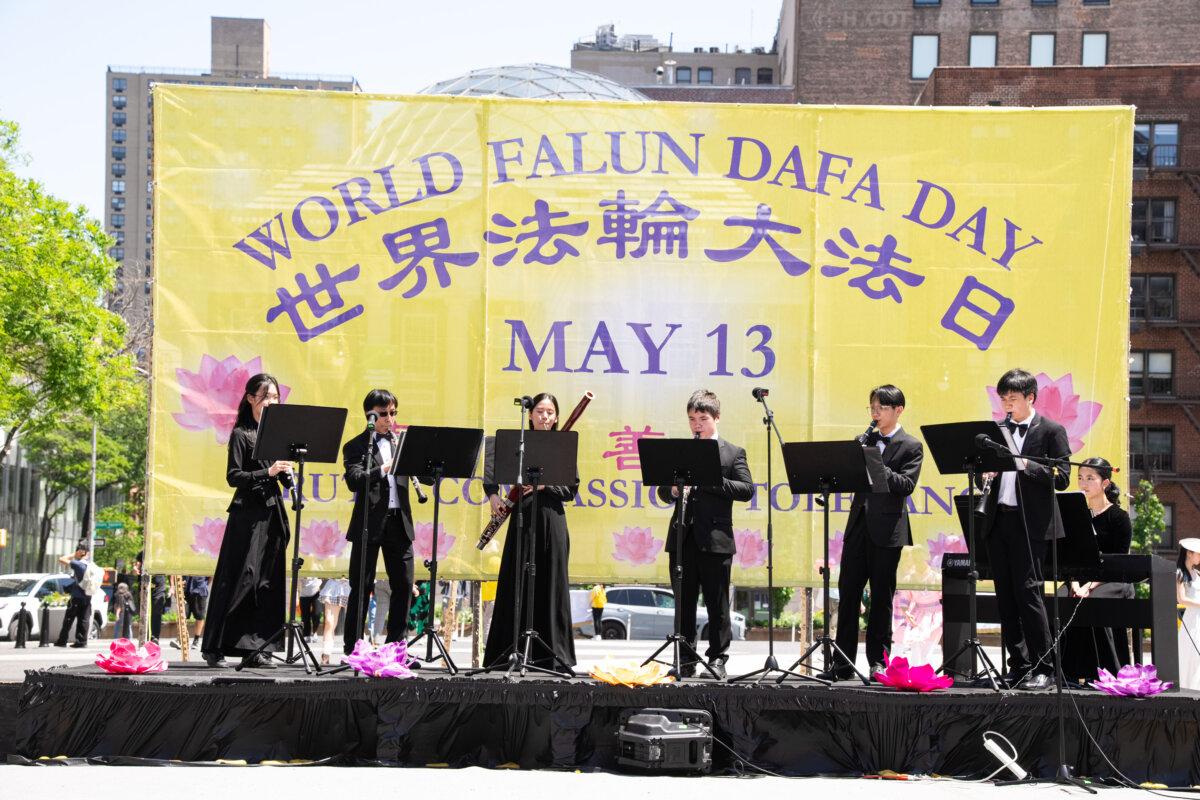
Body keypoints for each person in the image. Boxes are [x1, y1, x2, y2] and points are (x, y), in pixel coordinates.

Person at [977, 368, 1071, 691]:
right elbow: (983, 474)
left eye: (1013, 399)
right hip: (998, 519)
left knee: (1029, 592)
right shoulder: (998, 430)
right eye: (1003, 399)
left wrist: (1025, 463)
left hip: (1029, 523)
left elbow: (1062, 478)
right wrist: (983, 475)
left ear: (1030, 398)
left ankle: (1044, 666)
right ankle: (1016, 665)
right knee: (1005, 597)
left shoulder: (1051, 431)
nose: (1007, 405)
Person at [826, 385, 924, 680]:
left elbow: (905, 485)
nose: (875, 413)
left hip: (887, 531)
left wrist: (875, 460)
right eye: (872, 408)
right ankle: (841, 663)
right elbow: (848, 478)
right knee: (849, 594)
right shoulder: (863, 440)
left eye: (881, 408)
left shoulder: (911, 446)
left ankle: (878, 662)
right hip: (858, 527)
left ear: (898, 410)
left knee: (881, 597)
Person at [655, 389, 754, 680]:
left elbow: (746, 490)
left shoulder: (732, 452)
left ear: (716, 418)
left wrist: (709, 480)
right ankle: (685, 658)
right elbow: (663, 490)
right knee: (683, 604)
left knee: (717, 604)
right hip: (682, 538)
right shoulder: (682, 452)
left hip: (716, 541)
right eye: (692, 419)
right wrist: (673, 489)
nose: (697, 424)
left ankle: (718, 659)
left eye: (702, 418)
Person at [201, 373, 293, 669]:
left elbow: (284, 479)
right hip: (247, 516)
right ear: (251, 398)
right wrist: (267, 473)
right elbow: (234, 476)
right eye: (267, 397)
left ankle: (258, 648)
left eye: (276, 397)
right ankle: (216, 646)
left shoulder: (277, 435)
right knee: (241, 579)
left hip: (272, 512)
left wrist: (286, 472)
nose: (272, 402)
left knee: (267, 581)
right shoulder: (242, 434)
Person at [483, 392, 578, 673]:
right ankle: (509, 651)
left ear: (557, 416)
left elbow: (570, 490)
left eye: (550, 412)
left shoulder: (563, 445)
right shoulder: (519, 443)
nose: (544, 417)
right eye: (539, 411)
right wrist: (493, 497)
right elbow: (492, 469)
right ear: (531, 414)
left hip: (551, 521)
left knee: (551, 584)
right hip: (523, 520)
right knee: (517, 581)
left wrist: (543, 486)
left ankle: (552, 657)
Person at [341, 389, 417, 656]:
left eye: (393, 413)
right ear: (370, 415)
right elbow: (353, 479)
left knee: (405, 584)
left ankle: (397, 648)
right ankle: (353, 647)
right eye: (384, 414)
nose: (390, 419)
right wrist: (382, 469)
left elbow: (426, 479)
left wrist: (427, 465)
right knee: (361, 586)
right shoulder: (356, 445)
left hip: (399, 521)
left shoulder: (402, 444)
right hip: (369, 522)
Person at [1059, 457, 1132, 684]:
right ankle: (1065, 673)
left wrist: (1090, 585)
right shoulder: (1075, 516)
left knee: (1093, 603)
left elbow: (1119, 560)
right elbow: (1068, 556)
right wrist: (1074, 583)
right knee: (1059, 601)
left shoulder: (1119, 517)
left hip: (1113, 580)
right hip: (1079, 579)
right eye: (1080, 478)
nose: (1083, 483)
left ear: (1105, 483)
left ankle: (1105, 674)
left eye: (1090, 478)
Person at [54, 542, 92, 648]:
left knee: (69, 619)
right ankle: (81, 641)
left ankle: (62, 640)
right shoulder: (91, 565)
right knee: (84, 619)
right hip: (88, 596)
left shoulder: (78, 564)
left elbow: (62, 559)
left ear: (81, 552)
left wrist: (74, 554)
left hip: (77, 596)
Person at [1177, 539, 1200, 691]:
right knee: (1188, 655)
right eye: (1198, 554)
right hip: (1189, 619)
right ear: (1189, 553)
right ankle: (1184, 689)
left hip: (1198, 617)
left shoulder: (1197, 573)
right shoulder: (1179, 573)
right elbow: (1181, 599)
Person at [319, 577, 350, 664]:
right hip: (334, 582)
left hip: (352, 583)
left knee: (355, 621)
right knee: (329, 621)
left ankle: (355, 652)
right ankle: (326, 653)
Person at [183, 575, 209, 649]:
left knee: (200, 616)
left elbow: (210, 575)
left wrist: (204, 585)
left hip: (200, 589)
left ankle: (196, 640)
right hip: (185, 588)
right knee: (183, 614)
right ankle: (181, 638)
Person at [298, 576, 323, 642]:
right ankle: (306, 634)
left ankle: (314, 632)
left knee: (317, 613)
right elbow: (297, 580)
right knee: (305, 616)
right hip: (303, 595)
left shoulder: (317, 567)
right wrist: (297, 594)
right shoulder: (302, 568)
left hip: (316, 593)